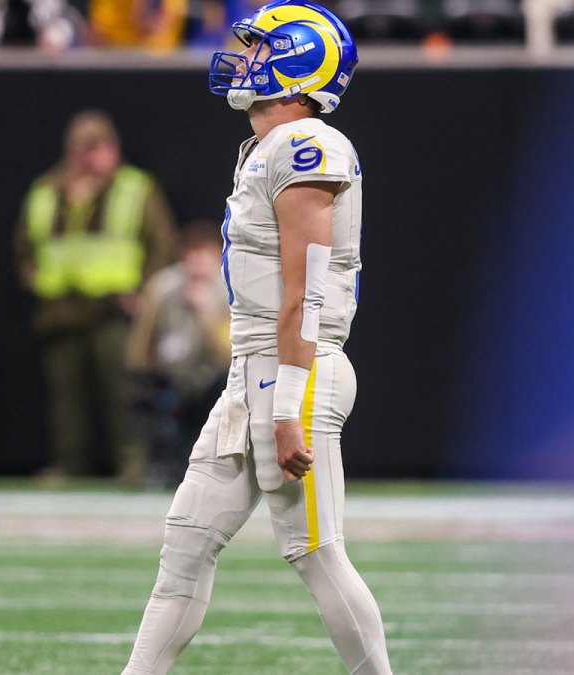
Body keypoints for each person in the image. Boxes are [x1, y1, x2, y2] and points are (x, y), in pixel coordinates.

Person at [123, 2, 391, 674]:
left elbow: (308, 289)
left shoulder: (310, 145)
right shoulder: (270, 149)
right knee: (186, 545)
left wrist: (288, 403)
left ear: (301, 62)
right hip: (254, 372)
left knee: (316, 552)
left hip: (296, 371)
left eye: (261, 49)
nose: (244, 59)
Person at [14, 110, 177, 484]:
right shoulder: (46, 190)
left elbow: (162, 243)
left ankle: (132, 463)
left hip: (112, 307)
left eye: (98, 146)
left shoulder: (134, 188)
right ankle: (70, 463)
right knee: (65, 394)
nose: (90, 156)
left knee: (123, 389)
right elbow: (25, 243)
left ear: (113, 148)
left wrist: (145, 292)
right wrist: (32, 278)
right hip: (60, 306)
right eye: (83, 148)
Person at [125, 220, 232, 487]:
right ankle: (147, 469)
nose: (195, 263)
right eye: (190, 254)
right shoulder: (163, 287)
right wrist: (141, 373)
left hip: (214, 380)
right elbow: (143, 341)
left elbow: (228, 354)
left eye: (203, 255)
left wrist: (206, 314)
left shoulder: (229, 288)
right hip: (173, 376)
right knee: (151, 404)